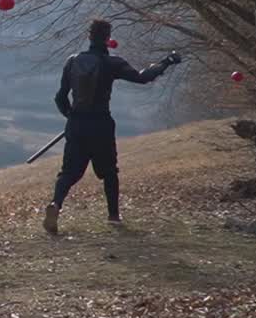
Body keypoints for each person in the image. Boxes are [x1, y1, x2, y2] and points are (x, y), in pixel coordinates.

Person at [43, 19, 180, 234]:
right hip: (101, 125)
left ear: (89, 36)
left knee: (69, 173)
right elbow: (142, 77)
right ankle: (113, 216)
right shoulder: (112, 63)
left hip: (77, 124)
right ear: (108, 38)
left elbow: (60, 98)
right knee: (109, 172)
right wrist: (167, 61)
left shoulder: (72, 61)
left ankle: (56, 204)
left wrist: (72, 116)